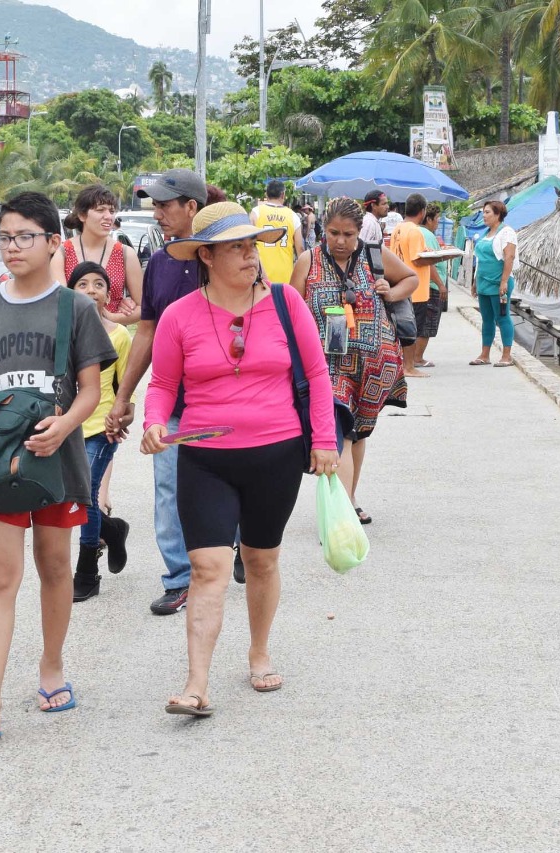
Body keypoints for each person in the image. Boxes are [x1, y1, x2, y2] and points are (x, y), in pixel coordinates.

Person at [141, 202, 339, 716]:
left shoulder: (286, 303)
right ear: (205, 255)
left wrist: (324, 441)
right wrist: (154, 424)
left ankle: (259, 650)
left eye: (252, 246)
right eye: (237, 248)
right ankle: (196, 684)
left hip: (276, 453)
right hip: (205, 458)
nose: (251, 257)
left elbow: (317, 375)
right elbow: (162, 384)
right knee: (207, 568)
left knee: (260, 559)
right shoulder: (179, 316)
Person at [0, 192, 116, 743]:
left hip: (57, 460)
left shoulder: (77, 307)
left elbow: (91, 391)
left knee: (53, 567)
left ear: (51, 243)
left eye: (23, 237)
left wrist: (65, 425)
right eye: (4, 236)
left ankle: (51, 667)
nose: (11, 247)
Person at [105, 168, 207, 616]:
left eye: (167, 205)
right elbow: (146, 332)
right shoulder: (160, 265)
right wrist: (124, 397)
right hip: (172, 404)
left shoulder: (224, 256)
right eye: (156, 205)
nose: (159, 213)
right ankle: (180, 579)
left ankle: (233, 550)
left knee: (227, 484)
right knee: (168, 488)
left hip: (224, 403)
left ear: (192, 207)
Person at [291, 196, 415, 526]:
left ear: (359, 231)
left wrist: (390, 291)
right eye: (333, 233)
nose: (341, 241)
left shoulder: (374, 255)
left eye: (348, 234)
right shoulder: (308, 261)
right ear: (323, 230)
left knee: (357, 433)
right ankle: (340, 513)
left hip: (373, 363)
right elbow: (290, 310)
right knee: (339, 432)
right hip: (326, 364)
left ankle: (350, 496)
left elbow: (411, 279)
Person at [67, 261, 132, 602]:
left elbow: (126, 387)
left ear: (109, 293)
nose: (91, 290)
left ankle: (87, 571)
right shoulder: (63, 330)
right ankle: (112, 528)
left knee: (85, 494)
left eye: (98, 284)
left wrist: (123, 416)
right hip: (68, 427)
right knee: (75, 495)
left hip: (101, 427)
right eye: (82, 284)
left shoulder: (119, 334)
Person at [51, 184, 142, 325]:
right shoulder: (63, 252)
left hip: (112, 340)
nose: (108, 217)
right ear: (82, 215)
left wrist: (112, 318)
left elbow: (143, 307)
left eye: (111, 211)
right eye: (100, 210)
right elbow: (60, 303)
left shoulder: (125, 253)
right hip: (74, 338)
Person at [390, 193, 443, 378]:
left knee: (402, 326)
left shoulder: (398, 228)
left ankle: (403, 364)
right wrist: (438, 257)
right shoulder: (415, 231)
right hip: (417, 288)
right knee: (413, 329)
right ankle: (409, 366)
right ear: (422, 212)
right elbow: (418, 260)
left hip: (399, 283)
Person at [470, 200, 517, 367]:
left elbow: (509, 257)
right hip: (483, 282)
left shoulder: (507, 232)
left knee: (502, 317)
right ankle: (485, 354)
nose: (484, 215)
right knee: (487, 319)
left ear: (498, 214)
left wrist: (504, 281)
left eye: (487, 212)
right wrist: (475, 282)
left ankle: (506, 355)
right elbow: (480, 260)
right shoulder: (485, 234)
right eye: (483, 212)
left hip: (499, 283)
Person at [415, 202, 450, 368]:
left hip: (422, 284)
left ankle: (414, 357)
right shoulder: (427, 235)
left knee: (421, 322)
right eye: (436, 219)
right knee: (428, 324)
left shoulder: (419, 233)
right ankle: (418, 358)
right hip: (430, 285)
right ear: (428, 219)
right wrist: (441, 284)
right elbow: (429, 263)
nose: (437, 223)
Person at [249, 180, 302, 285]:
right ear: (283, 195)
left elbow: (248, 241)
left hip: (260, 274)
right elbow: (300, 248)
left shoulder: (256, 212)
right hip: (285, 274)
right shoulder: (293, 216)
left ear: (266, 194)